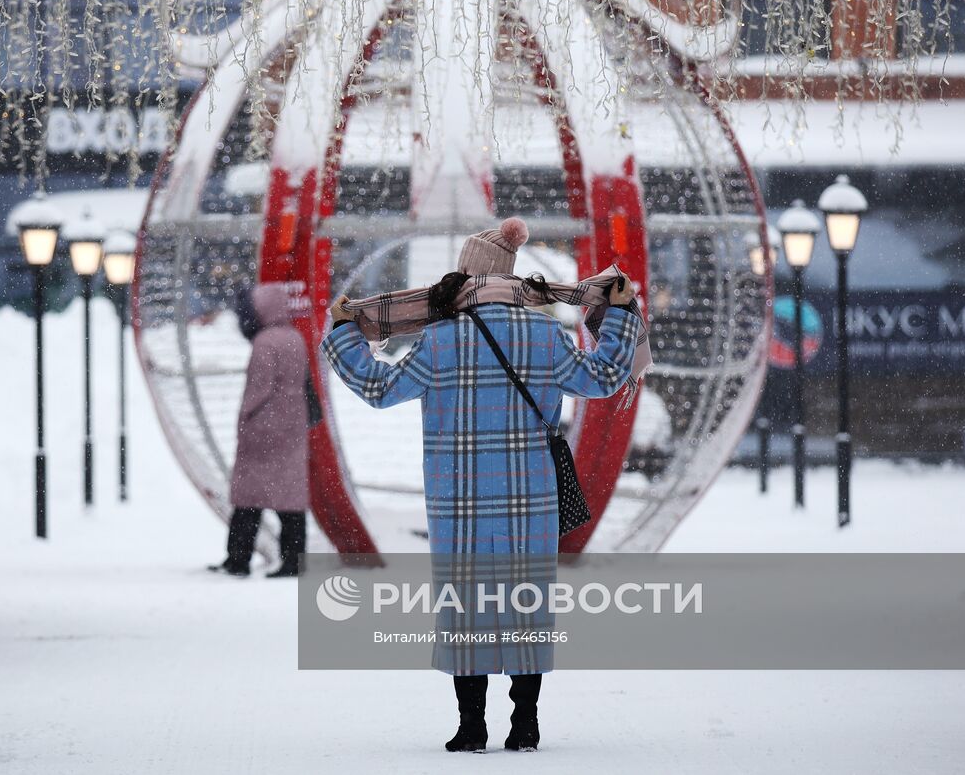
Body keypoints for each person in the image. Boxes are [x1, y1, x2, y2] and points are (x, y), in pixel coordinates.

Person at [321, 217, 643, 753]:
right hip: (529, 494)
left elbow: (378, 388)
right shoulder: (545, 335)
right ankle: (526, 722)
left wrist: (342, 334)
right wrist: (624, 315)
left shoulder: (438, 340)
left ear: (465, 279)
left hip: (458, 496)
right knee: (527, 600)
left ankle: (471, 724)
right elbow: (605, 376)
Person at [210, 283, 311, 578]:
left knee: (248, 498)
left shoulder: (265, 342)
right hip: (293, 423)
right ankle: (294, 559)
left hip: (264, 427)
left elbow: (259, 387)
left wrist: (245, 416)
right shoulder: (295, 338)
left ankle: (237, 559)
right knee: (290, 499)